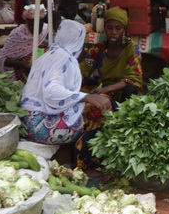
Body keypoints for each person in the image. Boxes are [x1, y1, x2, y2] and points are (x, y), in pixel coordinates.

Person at [20, 20, 112, 154]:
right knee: (98, 112)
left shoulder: (48, 55)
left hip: (26, 123)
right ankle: (83, 159)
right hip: (41, 128)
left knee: (90, 105)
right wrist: (86, 97)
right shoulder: (64, 58)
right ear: (77, 40)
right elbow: (51, 91)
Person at [80, 7, 142, 103]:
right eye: (109, 28)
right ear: (104, 28)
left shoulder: (132, 48)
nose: (113, 32)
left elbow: (133, 79)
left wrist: (105, 89)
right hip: (105, 93)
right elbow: (83, 71)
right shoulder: (97, 50)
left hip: (124, 92)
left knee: (131, 88)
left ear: (124, 30)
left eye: (118, 29)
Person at [0, 4, 51, 82]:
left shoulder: (47, 32)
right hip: (24, 76)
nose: (36, 27)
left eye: (40, 23)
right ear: (27, 21)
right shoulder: (18, 34)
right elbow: (2, 58)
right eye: (32, 24)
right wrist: (21, 64)